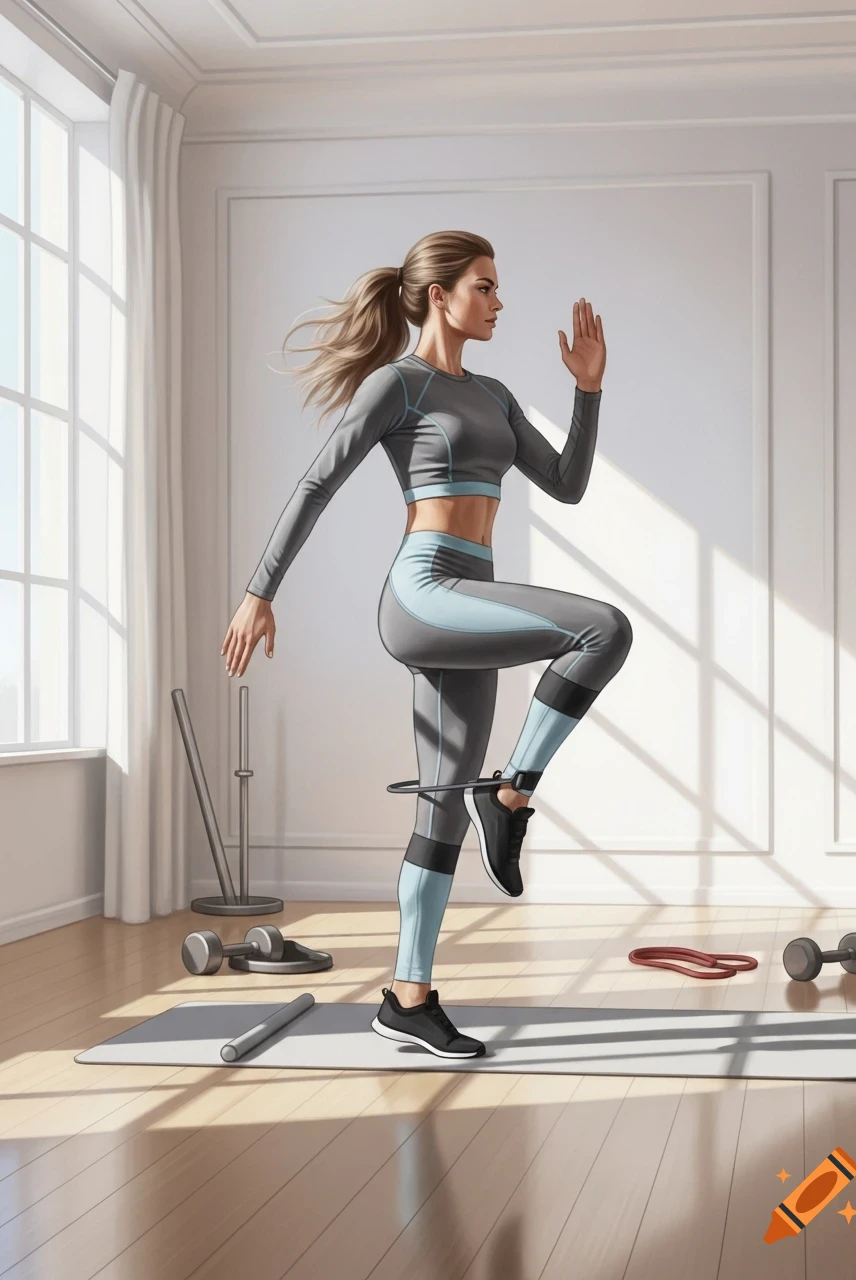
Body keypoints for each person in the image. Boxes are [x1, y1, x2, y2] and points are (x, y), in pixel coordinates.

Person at [221, 230, 633, 1060]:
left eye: (496, 287)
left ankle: (408, 998)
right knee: (603, 627)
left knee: (441, 803)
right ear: (439, 295)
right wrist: (258, 592)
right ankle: (511, 797)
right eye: (484, 286)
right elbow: (317, 482)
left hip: (467, 589)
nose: (499, 301)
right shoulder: (396, 384)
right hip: (425, 590)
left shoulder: (496, 393)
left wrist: (587, 391)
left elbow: (569, 486)